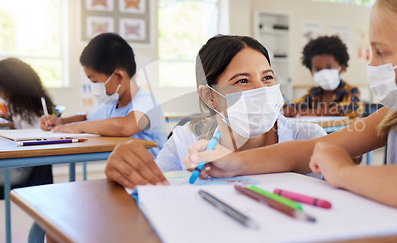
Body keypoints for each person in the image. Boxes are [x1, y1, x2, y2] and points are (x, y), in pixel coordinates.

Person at [186, 0, 397, 220]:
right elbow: (311, 149)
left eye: (381, 52)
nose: (372, 64)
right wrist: (230, 162)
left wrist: (344, 172)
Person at [104, 34, 326, 188]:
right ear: (210, 96)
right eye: (242, 81)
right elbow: (147, 190)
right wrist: (124, 170)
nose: (261, 90)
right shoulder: (186, 141)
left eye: (267, 77)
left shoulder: (308, 138)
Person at [40, 32, 167, 157]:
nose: (94, 87)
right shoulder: (112, 106)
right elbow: (86, 117)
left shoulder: (147, 102)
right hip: (129, 175)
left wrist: (78, 127)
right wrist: (60, 122)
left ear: (118, 76)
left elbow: (124, 127)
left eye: (95, 81)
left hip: (157, 175)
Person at [0, 58, 55, 197]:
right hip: (21, 165)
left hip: (20, 169)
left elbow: (29, 141)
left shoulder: (25, 111)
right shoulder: (28, 106)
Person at [283, 35, 363, 118]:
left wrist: (316, 112)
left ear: (342, 68)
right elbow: (293, 105)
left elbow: (355, 108)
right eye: (318, 69)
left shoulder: (351, 90)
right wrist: (289, 109)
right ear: (312, 72)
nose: (324, 73)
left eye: (329, 67)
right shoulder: (313, 94)